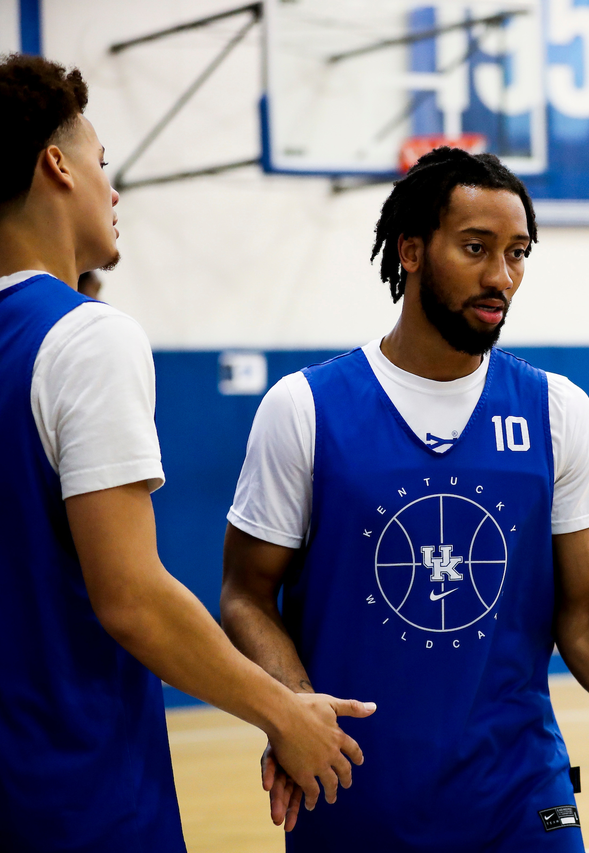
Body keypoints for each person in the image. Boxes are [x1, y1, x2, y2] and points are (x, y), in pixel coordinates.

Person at [219, 147, 589, 850]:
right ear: (412, 250)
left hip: (521, 799)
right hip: (352, 790)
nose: (500, 277)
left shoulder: (557, 411)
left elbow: (587, 613)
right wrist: (293, 712)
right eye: (476, 248)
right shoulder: (303, 408)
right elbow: (245, 593)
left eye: (518, 253)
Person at [0, 54, 376, 850]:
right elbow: (131, 597)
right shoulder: (84, 337)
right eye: (103, 165)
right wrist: (284, 711)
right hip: (74, 799)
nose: (114, 191)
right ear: (56, 165)